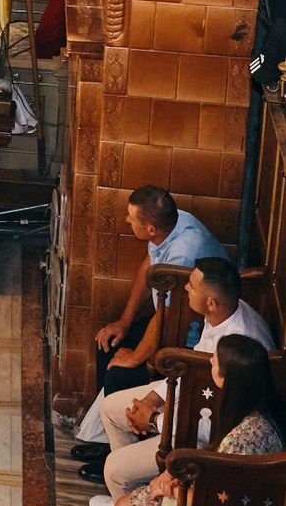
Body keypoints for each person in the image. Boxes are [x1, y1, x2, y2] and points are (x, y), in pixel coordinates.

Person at [100, 334, 286, 506]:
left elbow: (220, 505)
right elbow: (219, 476)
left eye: (215, 361)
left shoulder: (245, 438)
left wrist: (174, 490)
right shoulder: (253, 408)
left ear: (229, 378)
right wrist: (179, 479)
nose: (210, 360)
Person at [85, 258, 277, 506]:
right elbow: (190, 372)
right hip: (190, 401)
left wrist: (154, 420)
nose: (186, 288)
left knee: (114, 468)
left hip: (203, 432)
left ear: (210, 301)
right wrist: (150, 401)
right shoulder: (223, 311)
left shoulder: (236, 346)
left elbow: (210, 425)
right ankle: (133, 491)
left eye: (193, 286)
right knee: (111, 408)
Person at [72, 186, 228, 458]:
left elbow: (169, 314)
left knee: (123, 374)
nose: (127, 221)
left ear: (152, 228)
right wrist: (124, 322)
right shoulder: (170, 223)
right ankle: (105, 439)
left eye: (132, 218)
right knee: (107, 346)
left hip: (189, 332)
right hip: (168, 318)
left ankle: (122, 452)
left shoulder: (183, 252)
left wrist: (137, 358)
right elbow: (150, 268)